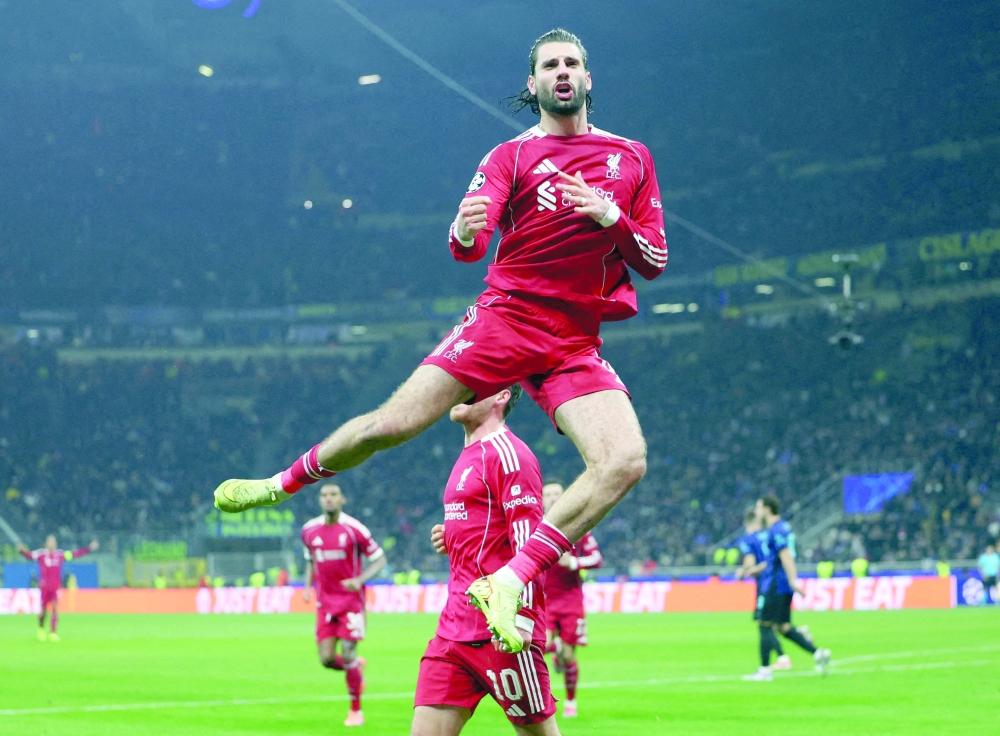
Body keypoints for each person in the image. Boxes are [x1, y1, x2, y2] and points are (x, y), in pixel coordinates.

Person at [213, 27, 666, 656]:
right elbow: (469, 244)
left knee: (624, 461)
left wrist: (612, 217)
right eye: (549, 65)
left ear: (588, 79)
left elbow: (654, 259)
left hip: (574, 339)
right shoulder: (510, 157)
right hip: (506, 318)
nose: (562, 72)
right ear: (532, 85)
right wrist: (460, 227)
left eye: (572, 63)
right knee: (390, 425)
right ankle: (280, 482)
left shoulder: (631, 158)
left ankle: (508, 582)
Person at [415, 385, 560, 735]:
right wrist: (452, 537)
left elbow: (529, 538)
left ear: (501, 396)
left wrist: (521, 618)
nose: (460, 390)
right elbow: (488, 529)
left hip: (500, 627)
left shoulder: (508, 453)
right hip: (452, 632)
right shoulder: (468, 454)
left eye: (474, 386)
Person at [302, 483, 388, 727]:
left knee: (349, 652)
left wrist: (359, 580)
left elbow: (380, 559)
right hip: (325, 603)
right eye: (324, 495)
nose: (328, 499)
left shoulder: (354, 529)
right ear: (320, 501)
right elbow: (310, 560)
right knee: (327, 659)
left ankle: (356, 711)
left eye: (333, 495)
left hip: (351, 602)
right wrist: (308, 587)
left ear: (342, 500)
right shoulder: (309, 531)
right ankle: (356, 669)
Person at [743, 496, 831, 681]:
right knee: (783, 627)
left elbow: (786, 556)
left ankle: (764, 670)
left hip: (776, 583)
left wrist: (793, 581)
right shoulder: (783, 527)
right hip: (780, 582)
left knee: (764, 623)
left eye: (758, 507)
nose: (756, 511)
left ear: (767, 509)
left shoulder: (775, 530)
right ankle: (818, 653)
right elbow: (773, 560)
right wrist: (756, 570)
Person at [540, 481, 601, 718]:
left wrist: (573, 563)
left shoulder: (578, 526)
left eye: (557, 493)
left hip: (571, 600)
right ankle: (555, 652)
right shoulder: (537, 527)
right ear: (542, 499)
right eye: (548, 494)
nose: (553, 498)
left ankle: (571, 701)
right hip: (545, 599)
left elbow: (596, 558)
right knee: (541, 645)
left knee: (568, 655)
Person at [734, 509, 791, 671]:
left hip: (765, 585)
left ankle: (780, 659)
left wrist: (744, 572)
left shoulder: (748, 539)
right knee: (771, 623)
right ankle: (782, 655)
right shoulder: (769, 535)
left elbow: (749, 562)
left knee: (764, 623)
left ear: (747, 523)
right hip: (776, 582)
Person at [18, 535, 98, 641]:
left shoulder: (60, 555)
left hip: (55, 587)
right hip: (44, 587)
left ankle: (53, 632)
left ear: (56, 543)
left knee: (55, 609)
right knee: (44, 610)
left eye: (53, 541)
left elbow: (75, 554)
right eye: (49, 541)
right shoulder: (41, 554)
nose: (52, 543)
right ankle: (41, 628)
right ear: (46, 543)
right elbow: (29, 555)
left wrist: (89, 548)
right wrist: (22, 551)